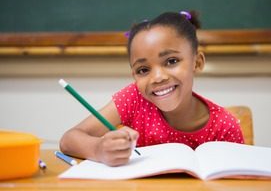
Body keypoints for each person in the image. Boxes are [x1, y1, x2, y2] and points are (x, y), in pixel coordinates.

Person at [59, 11, 244, 166]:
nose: (157, 77)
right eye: (143, 70)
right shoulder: (134, 99)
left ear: (197, 62)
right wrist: (98, 150)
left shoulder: (225, 127)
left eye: (171, 61)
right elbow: (69, 139)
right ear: (134, 75)